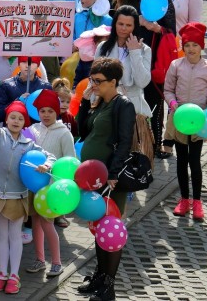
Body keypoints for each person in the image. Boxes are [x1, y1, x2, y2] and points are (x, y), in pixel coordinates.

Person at [0, 77, 55, 295]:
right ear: (6, 120)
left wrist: (47, 164)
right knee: (1, 235)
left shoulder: (30, 145)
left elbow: (51, 157)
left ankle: (14, 275)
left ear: (25, 122)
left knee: (15, 235)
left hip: (18, 196)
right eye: (12, 117)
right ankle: (1, 273)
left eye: (20, 118)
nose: (16, 121)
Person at [76, 58, 136, 300]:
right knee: (98, 229)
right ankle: (99, 277)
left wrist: (112, 174)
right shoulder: (101, 103)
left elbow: (124, 141)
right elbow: (82, 131)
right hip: (94, 179)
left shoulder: (124, 105)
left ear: (114, 82)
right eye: (92, 80)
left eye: (99, 81)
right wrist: (84, 102)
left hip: (111, 181)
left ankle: (108, 286)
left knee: (109, 230)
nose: (95, 85)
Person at [112, 0, 176, 156]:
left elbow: (172, 31)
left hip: (156, 58)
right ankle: (135, 141)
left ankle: (156, 144)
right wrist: (137, 22)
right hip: (132, 57)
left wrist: (156, 27)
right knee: (133, 99)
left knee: (154, 100)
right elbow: (116, 27)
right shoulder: (124, 2)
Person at [163, 23, 207, 220]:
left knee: (195, 161)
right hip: (179, 119)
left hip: (199, 122)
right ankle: (184, 199)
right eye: (187, 45)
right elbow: (168, 88)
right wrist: (172, 103)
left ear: (201, 46)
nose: (191, 49)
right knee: (181, 161)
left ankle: (197, 202)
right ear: (183, 46)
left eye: (195, 45)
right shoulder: (176, 65)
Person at [26, 89, 75, 276]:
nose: (46, 115)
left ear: (57, 112)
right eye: (42, 111)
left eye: (50, 111)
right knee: (36, 221)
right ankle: (40, 260)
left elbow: (70, 160)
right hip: (34, 185)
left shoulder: (64, 133)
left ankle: (56, 262)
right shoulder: (33, 130)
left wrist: (54, 173)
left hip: (52, 188)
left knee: (47, 223)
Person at [96, 5, 152, 118]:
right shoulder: (103, 47)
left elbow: (142, 82)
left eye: (128, 25)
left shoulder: (144, 49)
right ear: (114, 24)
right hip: (105, 104)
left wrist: (135, 52)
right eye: (120, 24)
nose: (124, 28)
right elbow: (94, 78)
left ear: (135, 27)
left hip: (132, 108)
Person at [0, 57, 53, 124]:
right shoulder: (6, 85)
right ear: (19, 64)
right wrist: (18, 102)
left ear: (38, 66)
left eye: (32, 62)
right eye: (24, 62)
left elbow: (53, 115)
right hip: (13, 131)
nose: (28, 66)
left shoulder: (45, 87)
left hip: (38, 132)